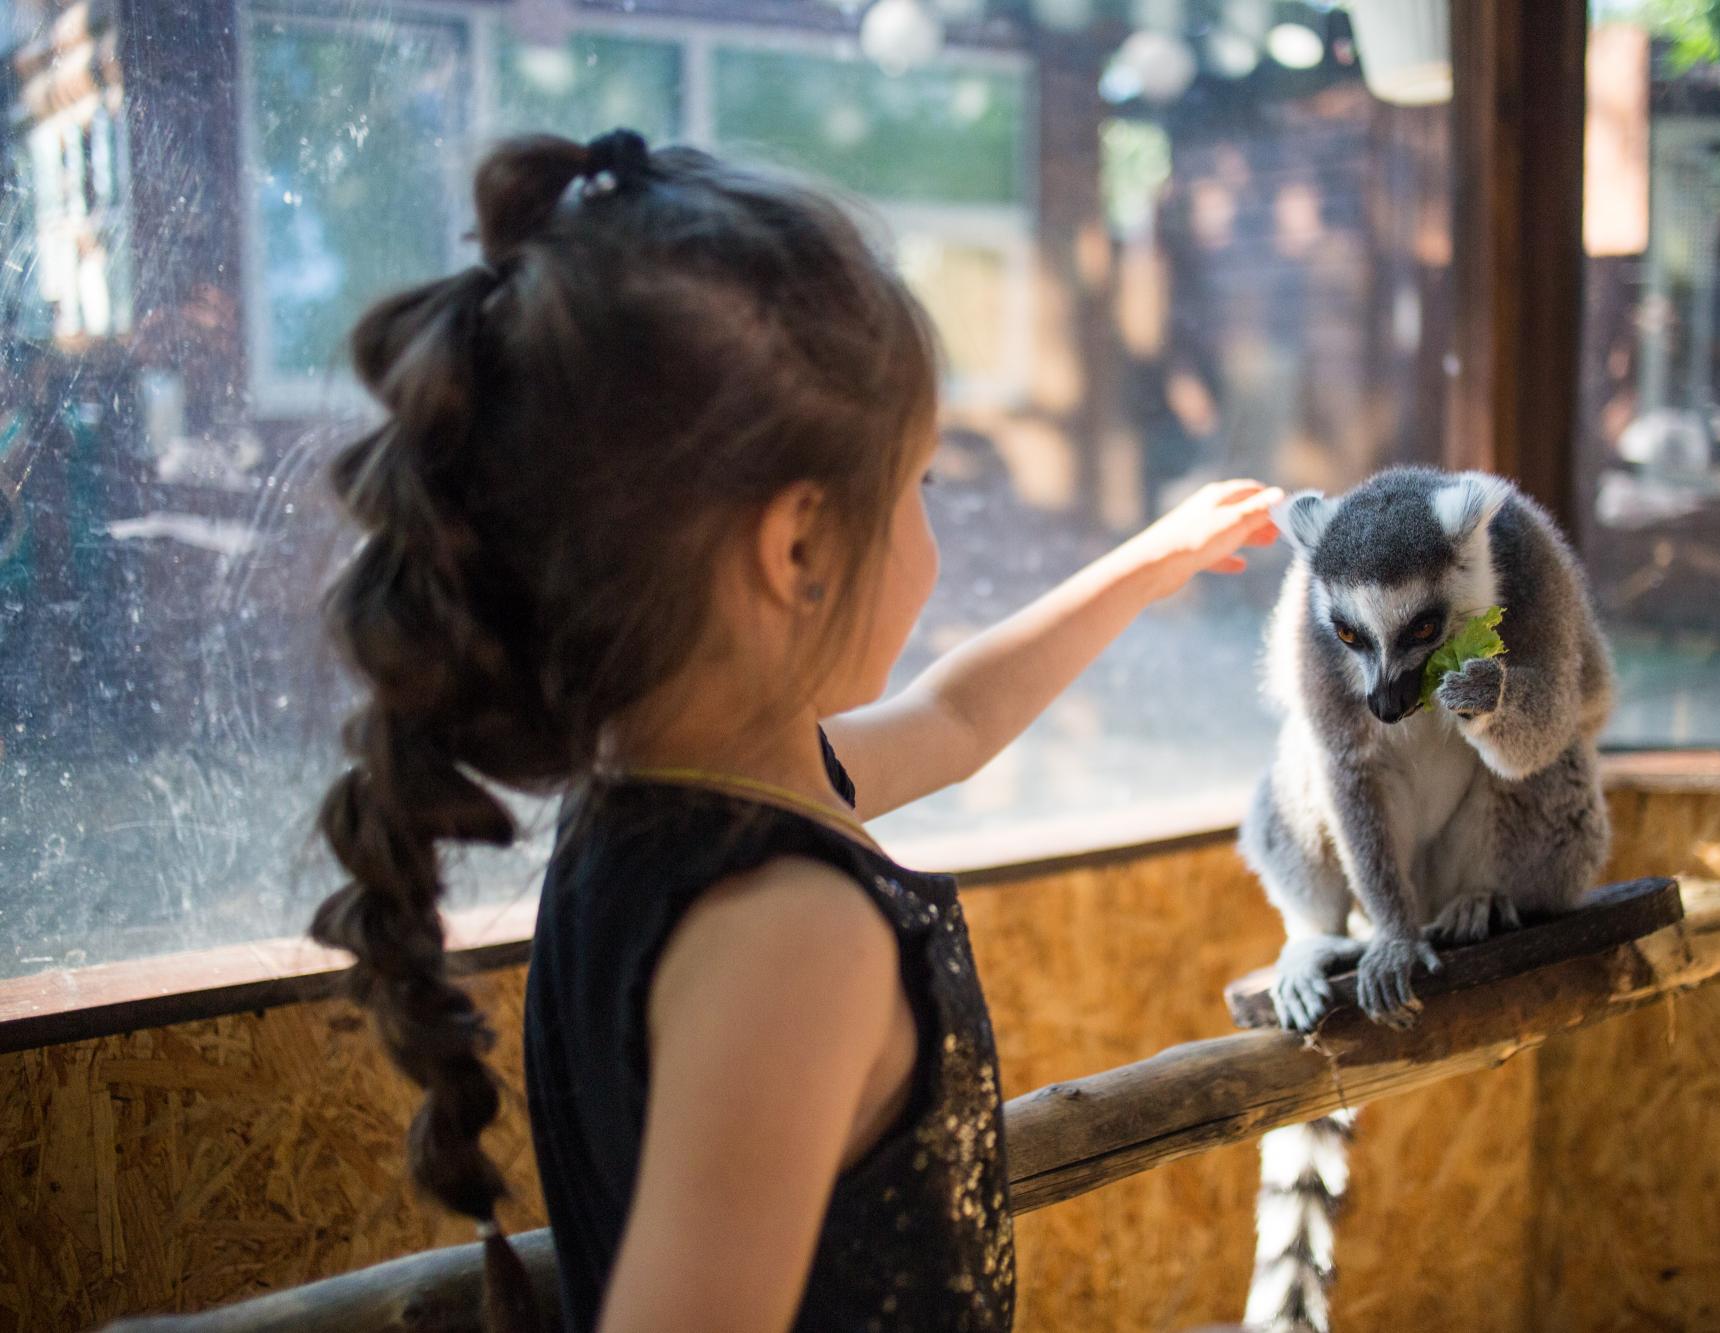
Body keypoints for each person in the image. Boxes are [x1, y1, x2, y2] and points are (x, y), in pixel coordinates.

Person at [309, 128, 1281, 1333]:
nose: (930, 528)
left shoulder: (668, 807)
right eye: (916, 486)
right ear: (799, 549)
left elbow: (958, 715)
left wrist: (1144, 566)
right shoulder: (790, 936)